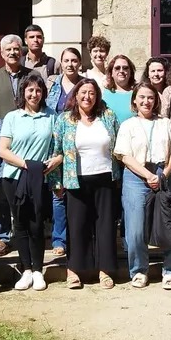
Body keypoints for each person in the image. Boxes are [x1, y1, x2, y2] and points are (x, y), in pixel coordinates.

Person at [50, 78, 121, 289]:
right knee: (77, 226)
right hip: (76, 180)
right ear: (76, 95)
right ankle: (73, 270)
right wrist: (56, 183)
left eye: (91, 93)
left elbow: (119, 146)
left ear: (97, 96)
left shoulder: (108, 116)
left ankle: (105, 271)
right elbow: (56, 151)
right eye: (83, 92)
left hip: (106, 178)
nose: (87, 97)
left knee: (106, 226)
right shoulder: (64, 120)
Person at [115, 82, 171, 289]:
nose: (146, 101)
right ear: (134, 100)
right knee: (135, 228)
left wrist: (164, 175)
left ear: (156, 101)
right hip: (136, 176)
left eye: (150, 97)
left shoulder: (166, 123)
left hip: (163, 174)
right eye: (142, 97)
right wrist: (147, 175)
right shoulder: (128, 125)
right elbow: (124, 156)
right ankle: (139, 270)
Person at [0, 73, 58, 292]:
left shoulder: (51, 116)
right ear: (23, 92)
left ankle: (38, 270)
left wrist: (56, 160)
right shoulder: (12, 117)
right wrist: (26, 165)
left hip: (39, 178)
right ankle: (26, 269)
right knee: (20, 223)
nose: (34, 94)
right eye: (30, 90)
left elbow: (59, 146)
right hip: (14, 177)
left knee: (36, 223)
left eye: (38, 90)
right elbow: (3, 150)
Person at [0, 34, 35, 255]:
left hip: (27, 133)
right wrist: (2, 130)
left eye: (16, 49)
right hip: (2, 132)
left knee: (25, 182)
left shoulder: (31, 75)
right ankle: (4, 235)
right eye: (8, 50)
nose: (13, 53)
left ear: (21, 52)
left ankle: (28, 232)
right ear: (1, 54)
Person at [44, 47, 84, 256]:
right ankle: (59, 239)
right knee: (58, 192)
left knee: (79, 192)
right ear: (61, 62)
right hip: (56, 143)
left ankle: (79, 237)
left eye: (74, 60)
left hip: (81, 143)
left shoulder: (85, 85)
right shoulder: (52, 84)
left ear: (80, 63)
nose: (70, 64)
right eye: (66, 60)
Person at [102, 54, 138, 125]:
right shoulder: (103, 94)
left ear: (130, 72)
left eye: (125, 68)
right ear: (111, 73)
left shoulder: (137, 93)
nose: (121, 71)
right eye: (117, 68)